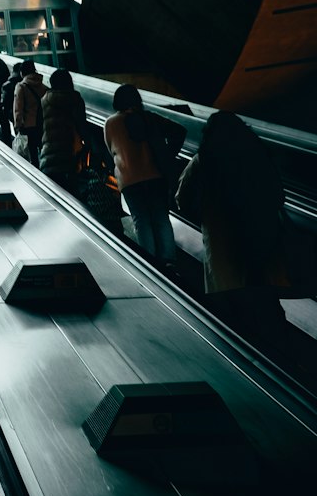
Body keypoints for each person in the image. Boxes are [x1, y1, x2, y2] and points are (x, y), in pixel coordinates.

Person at [174, 111, 291, 348]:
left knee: (232, 299)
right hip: (262, 235)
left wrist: (205, 215)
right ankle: (279, 349)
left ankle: (247, 352)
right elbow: (278, 195)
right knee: (264, 295)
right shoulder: (258, 155)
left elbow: (182, 198)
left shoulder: (205, 159)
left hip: (222, 239)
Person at [103, 84, 184, 270]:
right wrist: (168, 154)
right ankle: (169, 260)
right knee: (161, 217)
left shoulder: (110, 123)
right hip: (156, 177)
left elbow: (110, 150)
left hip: (129, 179)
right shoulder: (149, 119)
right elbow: (179, 131)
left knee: (141, 220)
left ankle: (149, 263)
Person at [39, 68, 87, 190]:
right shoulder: (75, 100)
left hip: (48, 158)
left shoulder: (44, 100)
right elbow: (81, 126)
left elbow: (39, 127)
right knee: (73, 197)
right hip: (69, 157)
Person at [12, 59, 47, 165]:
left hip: (29, 126)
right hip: (42, 124)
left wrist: (17, 125)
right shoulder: (43, 87)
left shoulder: (21, 87)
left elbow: (18, 108)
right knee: (42, 148)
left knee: (32, 154)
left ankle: (36, 174)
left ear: (22, 72)